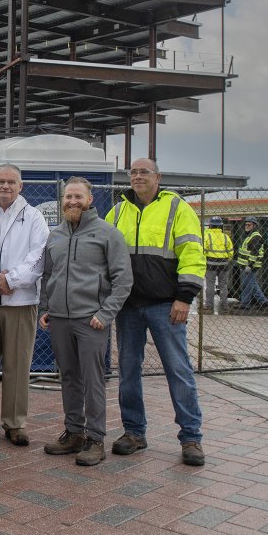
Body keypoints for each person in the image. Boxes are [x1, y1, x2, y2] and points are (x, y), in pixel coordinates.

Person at [105, 158, 207, 466]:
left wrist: (185, 298)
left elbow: (192, 252)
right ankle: (134, 432)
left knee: (178, 371)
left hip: (166, 306)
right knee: (128, 372)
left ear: (157, 177)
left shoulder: (177, 208)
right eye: (133, 173)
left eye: (144, 172)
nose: (137, 177)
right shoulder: (119, 209)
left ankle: (191, 438)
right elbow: (103, 250)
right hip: (128, 307)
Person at [39, 178, 132, 466]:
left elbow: (123, 280)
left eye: (78, 196)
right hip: (59, 320)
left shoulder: (107, 234)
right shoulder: (55, 234)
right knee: (69, 377)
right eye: (68, 197)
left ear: (90, 200)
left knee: (93, 381)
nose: (72, 202)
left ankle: (95, 438)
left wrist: (105, 315)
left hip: (90, 321)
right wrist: (45, 307)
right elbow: (48, 275)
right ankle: (74, 432)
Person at [0, 164, 49, 447]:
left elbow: (40, 254)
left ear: (21, 186)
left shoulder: (33, 217)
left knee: (18, 366)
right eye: (0, 181)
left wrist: (12, 279)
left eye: (11, 182)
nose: (5, 186)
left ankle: (14, 423)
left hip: (21, 302)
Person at [203, 216, 234, 314]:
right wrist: (227, 259)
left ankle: (209, 305)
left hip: (210, 263)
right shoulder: (226, 237)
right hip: (224, 264)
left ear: (210, 226)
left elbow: (203, 250)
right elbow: (230, 251)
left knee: (210, 285)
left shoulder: (207, 236)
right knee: (223, 286)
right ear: (221, 226)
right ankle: (224, 306)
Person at [236, 218, 268, 310]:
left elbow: (255, 252)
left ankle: (245, 303)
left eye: (249, 225)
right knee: (252, 283)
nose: (246, 226)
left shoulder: (255, 237)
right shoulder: (249, 236)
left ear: (254, 226)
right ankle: (263, 301)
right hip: (246, 265)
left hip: (250, 266)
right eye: (246, 225)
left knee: (246, 285)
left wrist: (249, 265)